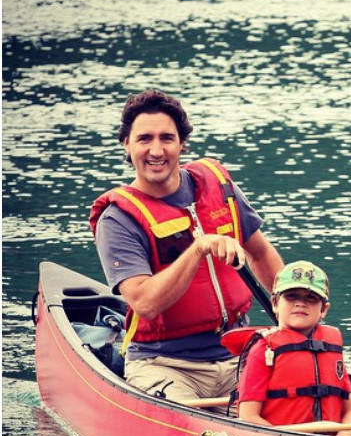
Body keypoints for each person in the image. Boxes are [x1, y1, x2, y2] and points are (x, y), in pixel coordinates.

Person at [89, 89, 283, 402]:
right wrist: (198, 249)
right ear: (126, 143)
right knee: (197, 425)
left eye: (167, 138)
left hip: (240, 355)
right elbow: (145, 303)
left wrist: (292, 315)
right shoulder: (118, 219)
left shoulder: (218, 185)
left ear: (181, 143)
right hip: (165, 365)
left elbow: (260, 254)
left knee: (298, 400)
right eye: (144, 139)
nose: (156, 150)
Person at [235, 261, 351, 436]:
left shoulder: (331, 347)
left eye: (311, 298)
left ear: (324, 309)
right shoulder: (263, 349)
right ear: (275, 303)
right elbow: (248, 416)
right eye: (291, 296)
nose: (301, 303)